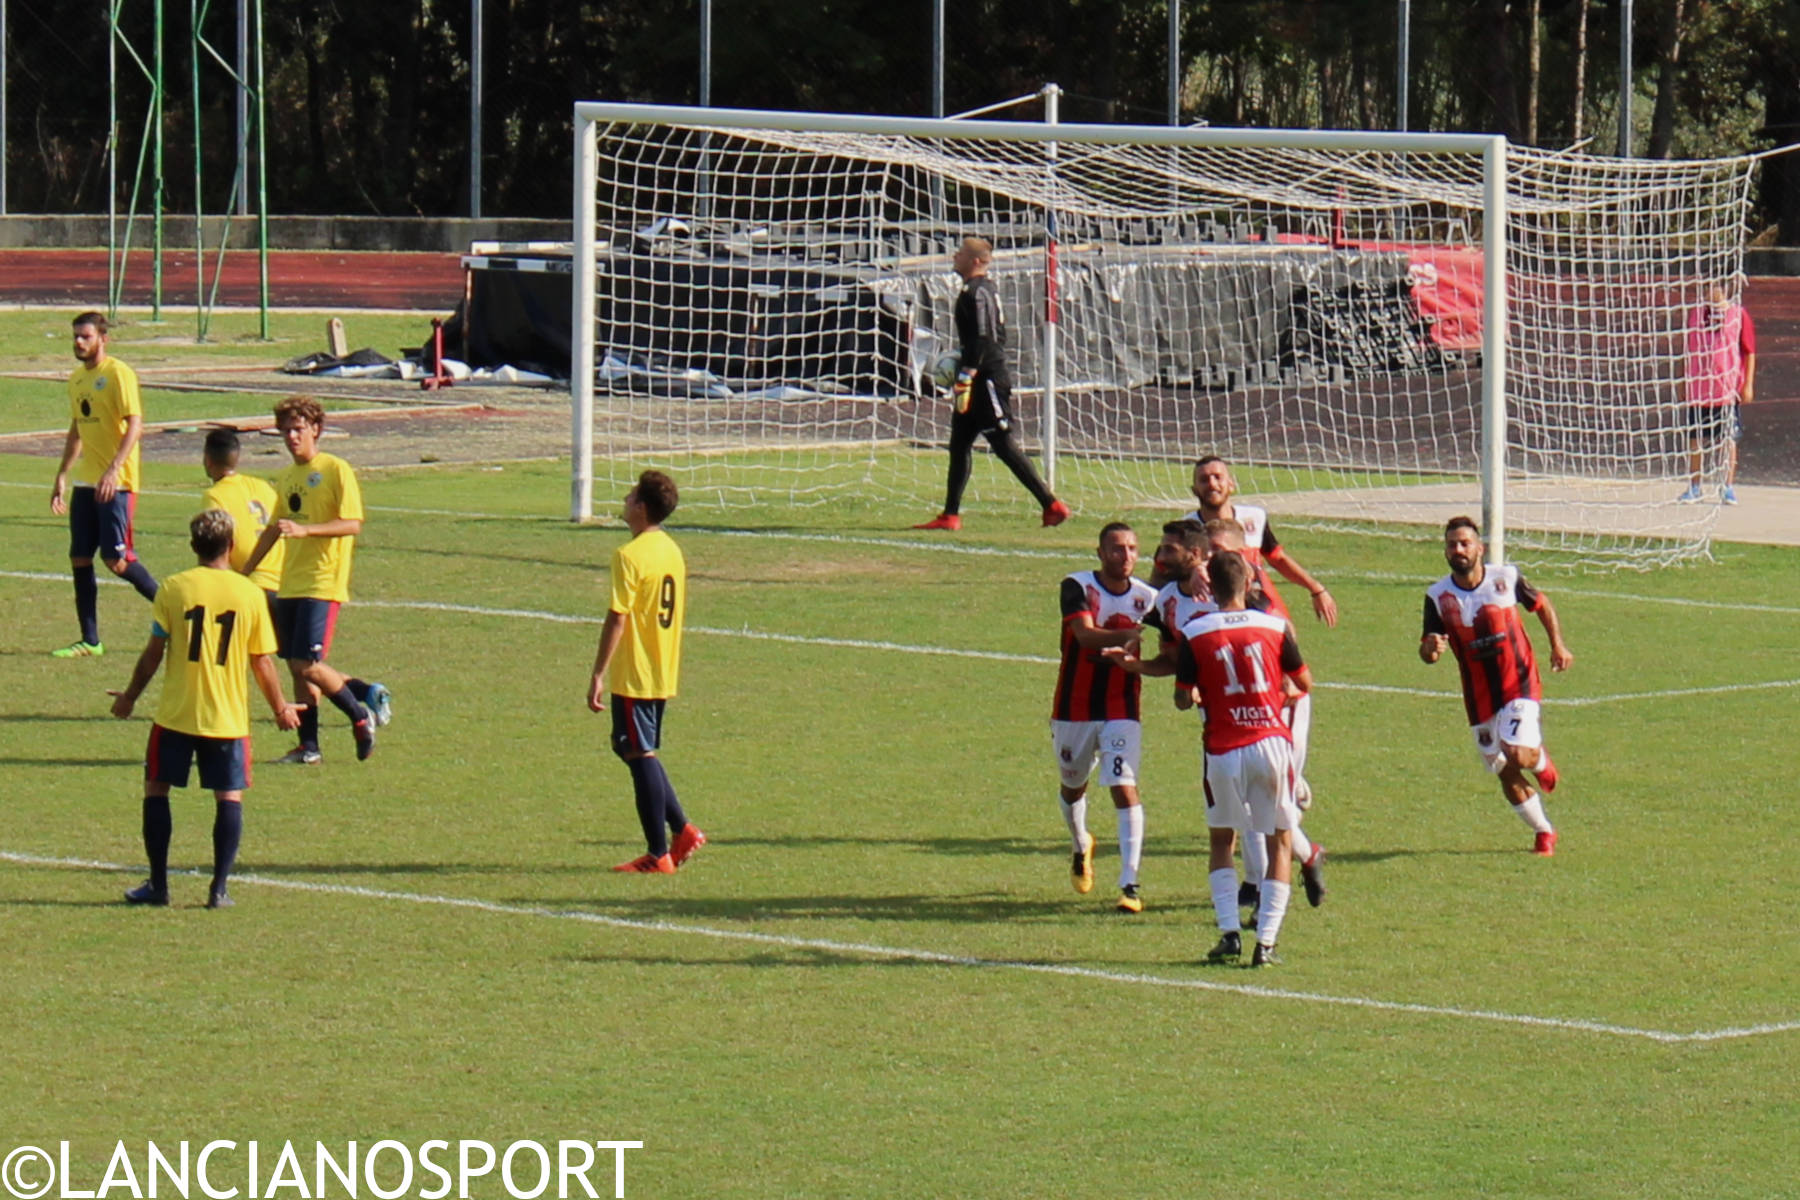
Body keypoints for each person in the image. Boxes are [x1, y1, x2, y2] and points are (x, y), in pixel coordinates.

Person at [1107, 550, 1312, 967]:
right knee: (1280, 842)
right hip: (1271, 742)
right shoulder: (1275, 626)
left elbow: (1184, 697)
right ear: (1249, 585)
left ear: (1211, 588)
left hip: (1222, 746)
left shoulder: (1195, 630)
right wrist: (1277, 695)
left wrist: (1197, 693)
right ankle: (1267, 943)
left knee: (1222, 841)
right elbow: (1302, 682)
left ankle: (1229, 932)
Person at [108, 509, 301, 907]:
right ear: (230, 546)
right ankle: (219, 889)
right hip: (227, 719)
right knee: (228, 797)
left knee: (156, 789)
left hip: (176, 714)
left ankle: (159, 886)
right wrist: (281, 707)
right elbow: (261, 661)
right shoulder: (248, 594)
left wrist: (129, 697)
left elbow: (153, 654)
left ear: (194, 546)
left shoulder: (173, 588)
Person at [1142, 519, 1326, 913]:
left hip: (1276, 708)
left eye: (1223, 552)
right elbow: (1175, 658)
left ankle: (1263, 889)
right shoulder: (1175, 598)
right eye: (1210, 551)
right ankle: (1303, 859)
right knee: (1248, 810)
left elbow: (1284, 645)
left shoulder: (1250, 593)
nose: (1215, 559)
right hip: (1224, 715)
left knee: (1260, 809)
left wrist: (1284, 686)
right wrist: (1141, 667)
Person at [242, 395, 390, 765]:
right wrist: (243, 574)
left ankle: (359, 715)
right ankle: (309, 747)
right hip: (290, 582)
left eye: (299, 429)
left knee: (308, 664)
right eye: (286, 430)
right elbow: (274, 529)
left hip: (322, 582)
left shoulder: (335, 469)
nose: (292, 437)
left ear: (316, 430)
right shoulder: (288, 476)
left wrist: (307, 531)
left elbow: (352, 523)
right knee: (295, 665)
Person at [1420, 517, 1573, 855]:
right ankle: (1544, 831)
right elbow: (1428, 651)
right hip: (1478, 697)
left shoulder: (1506, 578)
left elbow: (1541, 605)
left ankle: (1541, 762)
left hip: (1518, 682)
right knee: (1502, 769)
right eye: (1451, 544)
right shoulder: (1437, 596)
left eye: (1464, 543)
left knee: (1517, 752)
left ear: (1480, 548)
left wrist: (1557, 645)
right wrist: (1431, 650)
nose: (1458, 550)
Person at [587, 470, 706, 874]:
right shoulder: (671, 550)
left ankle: (660, 852)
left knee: (639, 752)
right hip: (663, 664)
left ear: (641, 506)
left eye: (631, 494)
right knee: (629, 748)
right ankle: (682, 829)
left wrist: (597, 674)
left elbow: (617, 617)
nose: (624, 497)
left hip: (636, 668)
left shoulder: (629, 555)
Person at [913, 237, 1071, 532]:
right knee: (959, 444)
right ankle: (950, 515)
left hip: (985, 378)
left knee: (1001, 442)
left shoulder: (978, 292)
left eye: (960, 253)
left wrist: (967, 374)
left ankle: (1051, 504)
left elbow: (985, 336)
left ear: (975, 260)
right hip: (976, 373)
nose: (954, 256)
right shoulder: (974, 290)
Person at [1049, 521, 1158, 912]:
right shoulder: (1077, 586)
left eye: (1131, 548)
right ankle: (1081, 843)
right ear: (1100, 553)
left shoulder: (1150, 597)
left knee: (1123, 784)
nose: (1125, 556)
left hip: (1122, 707)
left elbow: (1181, 632)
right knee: (1072, 787)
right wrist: (1133, 635)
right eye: (1116, 548)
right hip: (1073, 708)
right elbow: (1084, 635)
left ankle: (1130, 884)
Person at [48, 311, 159, 657]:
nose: (79, 343)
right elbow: (77, 430)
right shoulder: (77, 379)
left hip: (118, 483)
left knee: (117, 561)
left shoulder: (118, 374)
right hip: (87, 483)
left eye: (86, 336)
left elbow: (136, 426)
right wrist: (62, 475)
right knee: (80, 557)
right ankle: (90, 640)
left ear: (102, 339)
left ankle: (178, 609)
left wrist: (113, 470)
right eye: (76, 337)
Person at [1680, 279, 1755, 505]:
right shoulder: (1695, 314)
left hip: (1726, 389)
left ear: (1724, 289)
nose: (1708, 291)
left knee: (1727, 440)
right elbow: (1688, 349)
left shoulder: (1738, 314)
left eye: (1713, 286)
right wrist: (1684, 380)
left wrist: (1748, 383)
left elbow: (1749, 351)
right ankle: (1694, 487)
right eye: (1705, 287)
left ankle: (1727, 487)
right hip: (1699, 389)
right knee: (1695, 439)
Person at [201, 428, 284, 620]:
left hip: (253, 586)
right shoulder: (262, 486)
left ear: (207, 460)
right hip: (286, 584)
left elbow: (216, 551)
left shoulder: (215, 496)